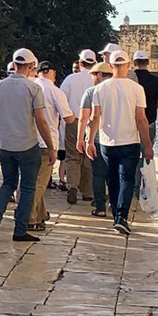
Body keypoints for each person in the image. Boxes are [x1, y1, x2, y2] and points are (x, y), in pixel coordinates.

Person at [0, 48, 54, 242]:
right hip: (27, 144)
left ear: (14, 64)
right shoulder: (33, 88)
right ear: (31, 66)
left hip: (5, 144)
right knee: (27, 187)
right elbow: (40, 120)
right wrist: (50, 146)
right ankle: (20, 230)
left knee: (8, 183)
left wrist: (2, 136)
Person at [87, 51, 154, 234]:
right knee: (127, 178)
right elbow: (141, 119)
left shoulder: (100, 89)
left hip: (107, 142)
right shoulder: (136, 89)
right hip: (130, 140)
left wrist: (90, 141)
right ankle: (121, 216)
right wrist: (147, 144)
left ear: (110, 66)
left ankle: (117, 213)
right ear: (128, 65)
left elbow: (94, 117)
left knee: (112, 178)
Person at [28, 62, 74, 232]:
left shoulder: (30, 87)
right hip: (46, 142)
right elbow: (68, 118)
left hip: (27, 140)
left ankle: (40, 215)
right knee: (39, 183)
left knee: (31, 179)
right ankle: (29, 217)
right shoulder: (54, 91)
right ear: (51, 72)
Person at [59, 49, 98, 204]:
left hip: (74, 120)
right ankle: (87, 191)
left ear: (80, 62)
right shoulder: (96, 79)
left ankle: (72, 185)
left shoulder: (70, 79)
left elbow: (62, 99)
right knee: (89, 156)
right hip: (92, 121)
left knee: (72, 156)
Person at [79, 63, 115, 217]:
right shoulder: (117, 90)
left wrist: (81, 138)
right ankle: (115, 205)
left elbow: (84, 117)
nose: (92, 78)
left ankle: (100, 207)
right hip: (116, 138)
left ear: (99, 74)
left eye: (93, 75)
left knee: (98, 174)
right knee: (113, 174)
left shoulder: (91, 92)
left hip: (97, 139)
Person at [132, 50, 158, 144]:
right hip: (149, 120)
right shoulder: (156, 80)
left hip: (132, 122)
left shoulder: (130, 80)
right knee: (148, 146)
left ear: (134, 63)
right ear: (147, 62)